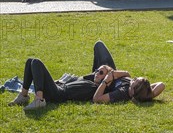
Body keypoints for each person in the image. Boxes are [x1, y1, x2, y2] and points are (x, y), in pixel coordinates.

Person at [8, 41, 165, 110]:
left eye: (136, 81)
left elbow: (97, 99)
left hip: (65, 91)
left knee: (35, 62)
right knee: (99, 45)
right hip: (103, 79)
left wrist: (105, 80)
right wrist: (111, 73)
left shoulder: (122, 93)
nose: (135, 77)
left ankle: (39, 99)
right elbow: (161, 85)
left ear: (133, 88)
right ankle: (24, 96)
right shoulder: (135, 85)